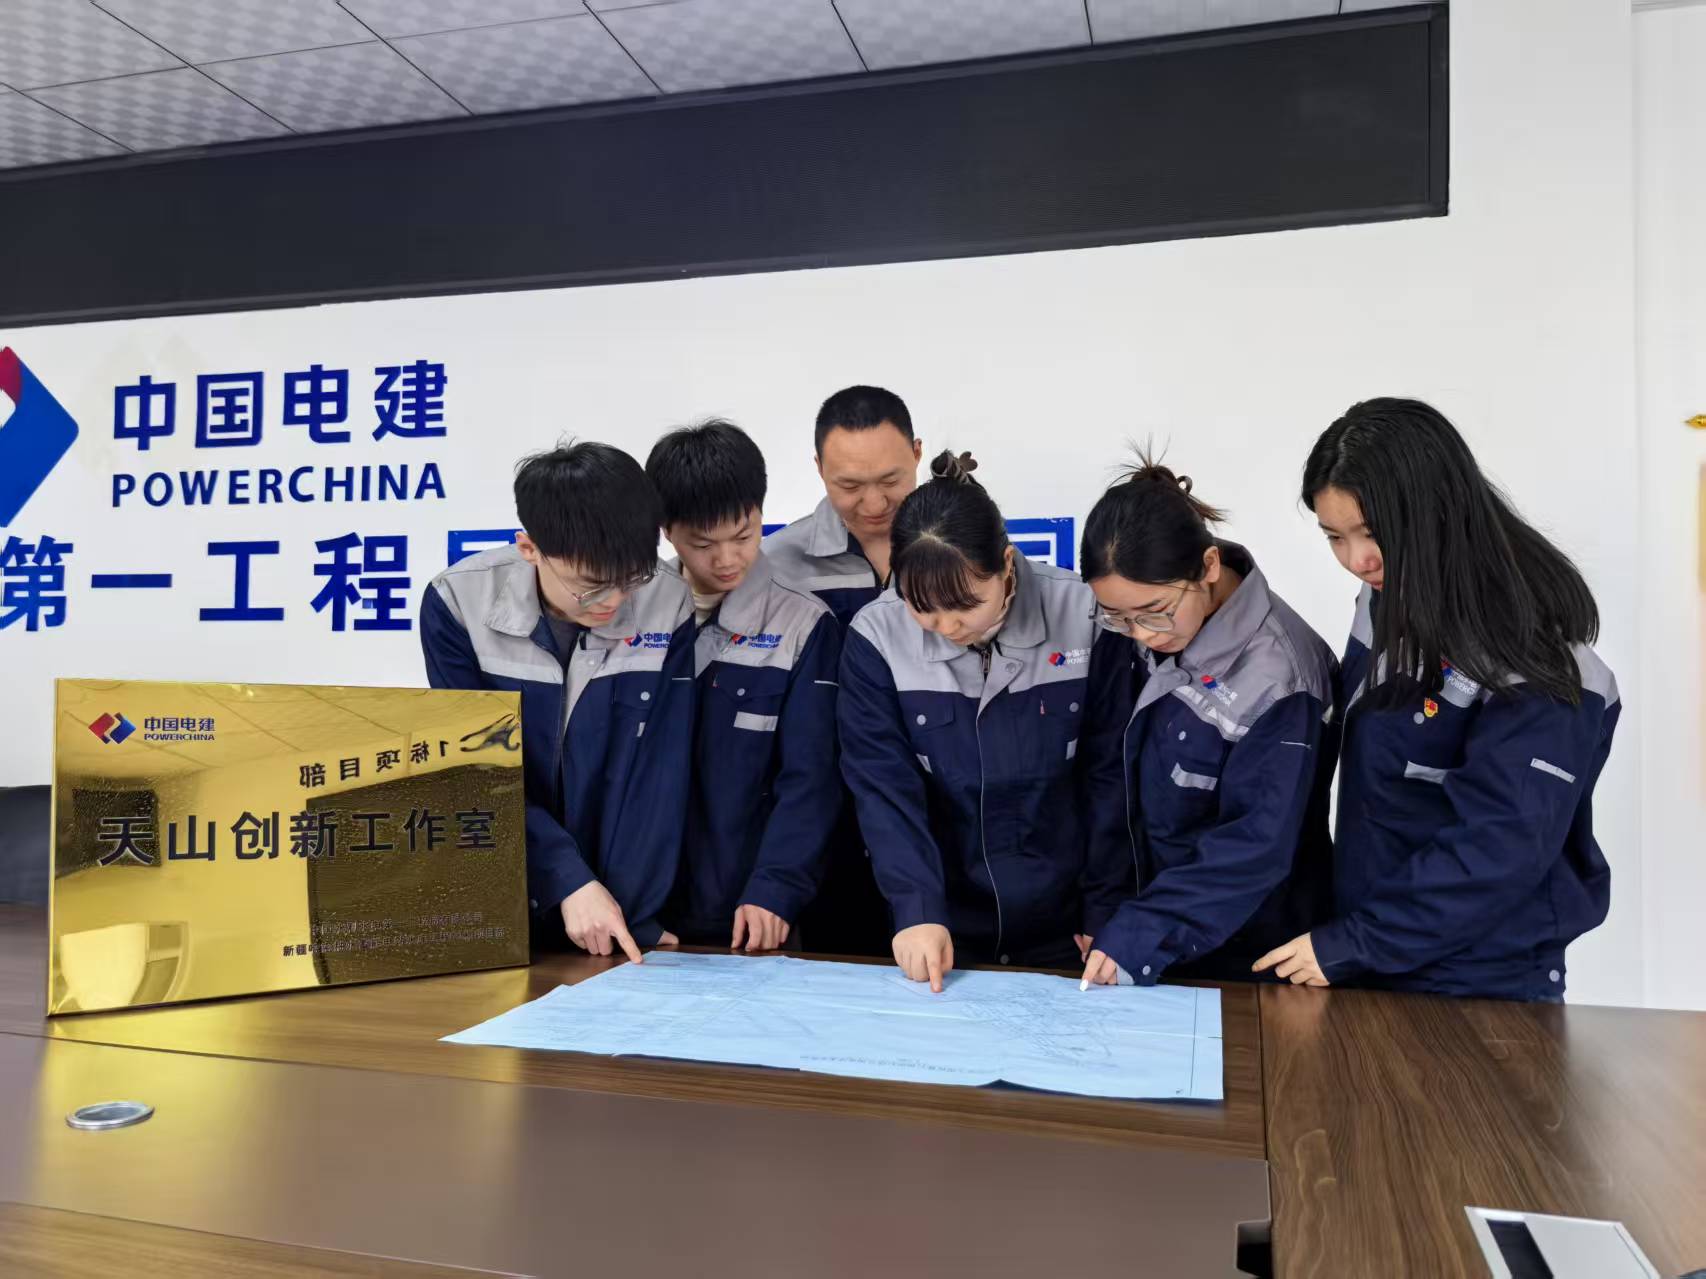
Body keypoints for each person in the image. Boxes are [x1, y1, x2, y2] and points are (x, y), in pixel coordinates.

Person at [1255, 398, 1619, 1001]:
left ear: (1437, 511)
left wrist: (1354, 943)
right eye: (1335, 537)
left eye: (1373, 534)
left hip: (1483, 980)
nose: (1356, 560)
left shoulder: (1539, 654)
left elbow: (1500, 848)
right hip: (1378, 949)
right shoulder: (1388, 596)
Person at [838, 450, 1117, 990]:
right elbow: (884, 788)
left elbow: (1111, 775)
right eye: (922, 607)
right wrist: (917, 908)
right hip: (944, 922)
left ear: (1007, 565)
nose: (947, 626)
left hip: (1070, 923)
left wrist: (1106, 905)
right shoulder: (876, 637)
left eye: (966, 603)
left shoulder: (1084, 614)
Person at [420, 442, 694, 964]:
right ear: (530, 549)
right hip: (501, 893)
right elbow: (478, 769)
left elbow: (657, 771)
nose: (615, 601)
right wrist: (568, 880)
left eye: (630, 579)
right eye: (591, 587)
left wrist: (632, 911)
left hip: (617, 912)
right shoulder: (457, 604)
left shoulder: (667, 598)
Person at [1076, 459, 1339, 989]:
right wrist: (1105, 905)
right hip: (1148, 938)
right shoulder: (1142, 630)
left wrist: (1142, 932)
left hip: (1250, 957)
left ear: (1209, 566)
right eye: (1118, 617)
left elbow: (1254, 846)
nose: (1141, 633)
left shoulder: (1281, 677)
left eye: (1154, 611)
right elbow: (1111, 777)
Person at [645, 420, 841, 952]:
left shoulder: (804, 625)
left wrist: (777, 887)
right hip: (638, 908)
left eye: (744, 535)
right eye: (703, 544)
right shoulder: (629, 613)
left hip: (748, 913)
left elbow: (811, 779)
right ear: (666, 530)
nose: (727, 559)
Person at [765, 385, 924, 955]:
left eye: (891, 480)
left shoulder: (960, 555)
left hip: (940, 820)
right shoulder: (778, 567)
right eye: (849, 486)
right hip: (826, 831)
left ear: (918, 454)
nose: (873, 503)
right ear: (818, 468)